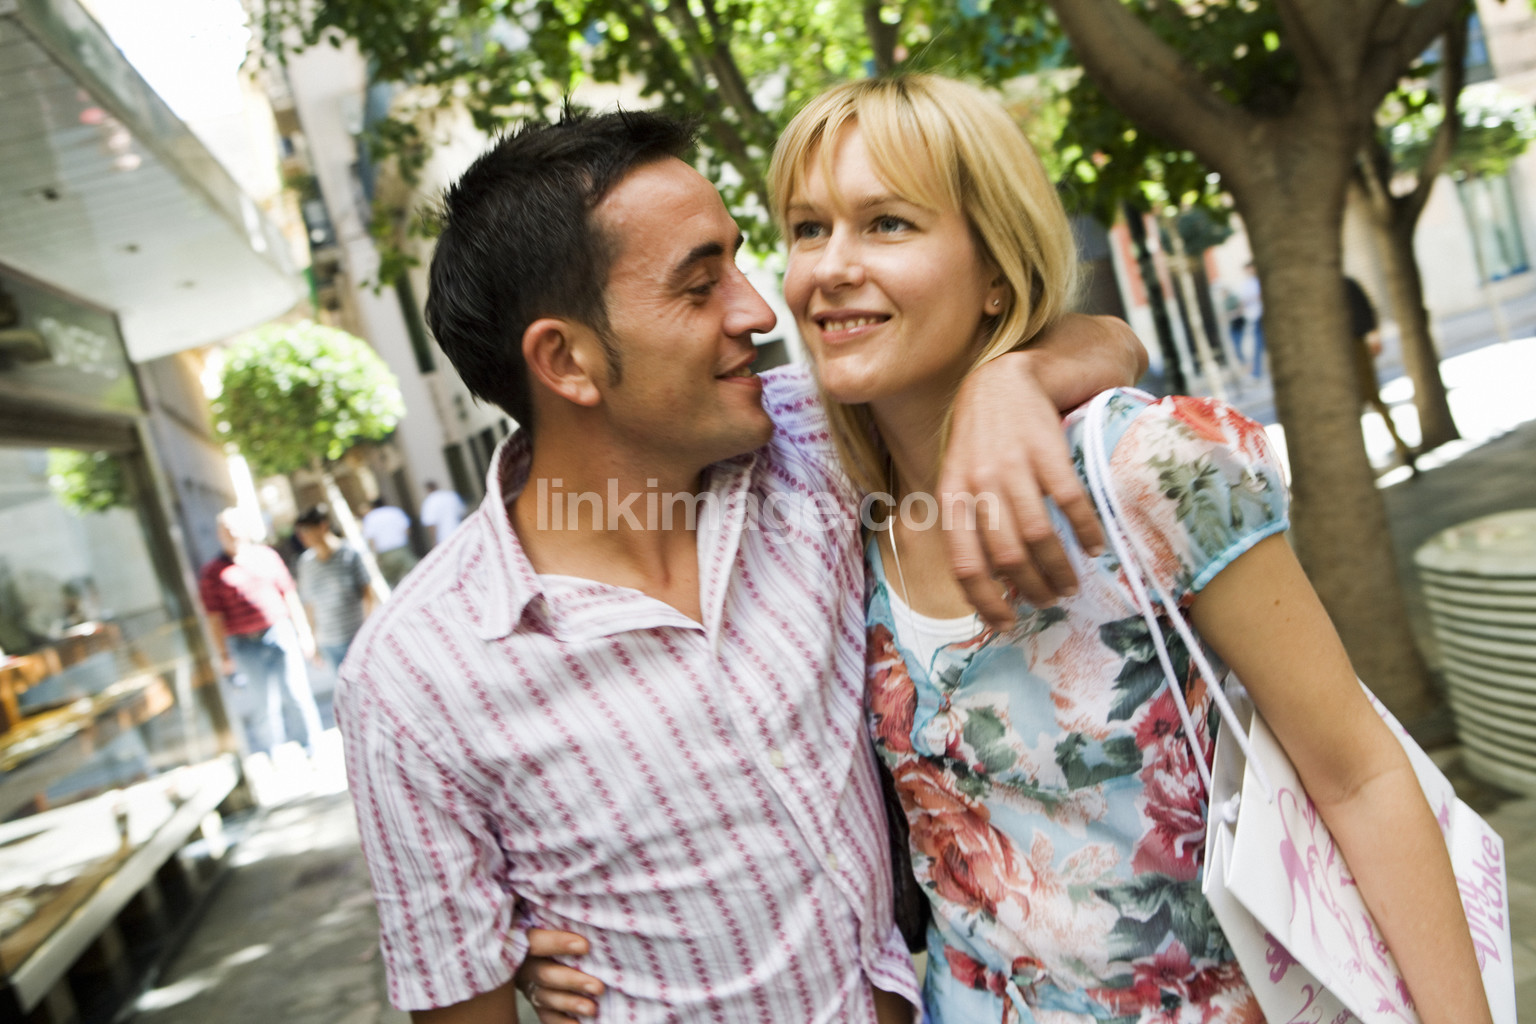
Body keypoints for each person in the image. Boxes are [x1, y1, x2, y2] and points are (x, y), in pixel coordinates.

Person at [527, 75, 1492, 1024]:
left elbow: (1358, 778)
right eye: (809, 229)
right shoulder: (818, 495)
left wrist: (1018, 377)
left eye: (888, 223)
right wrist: (552, 931)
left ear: (996, 269)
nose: (829, 268)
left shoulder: (1142, 466)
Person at [335, 106, 1143, 1023]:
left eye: (740, 260)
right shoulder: (414, 683)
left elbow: (1101, 341)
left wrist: (1015, 378)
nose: (759, 310)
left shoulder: (821, 442)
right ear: (565, 359)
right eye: (699, 286)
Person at [198, 507, 324, 756]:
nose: (231, 533)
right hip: (244, 644)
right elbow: (214, 618)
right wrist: (223, 655)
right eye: (225, 530)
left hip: (279, 633)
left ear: (244, 530)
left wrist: (305, 634)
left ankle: (312, 747)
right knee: (263, 703)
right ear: (219, 534)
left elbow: (289, 595)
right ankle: (274, 753)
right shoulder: (213, 572)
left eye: (234, 528)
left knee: (296, 693)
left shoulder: (266, 557)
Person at [1345, 275, 1417, 472]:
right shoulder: (1343, 283)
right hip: (1349, 348)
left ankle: (1402, 449)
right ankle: (1399, 449)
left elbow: (1366, 310)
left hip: (1355, 345)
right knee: (1367, 401)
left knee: (1371, 398)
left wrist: (1374, 335)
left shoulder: (1346, 284)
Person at [293, 503, 374, 672]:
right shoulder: (305, 564)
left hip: (357, 636)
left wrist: (369, 630)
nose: (303, 537)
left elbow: (367, 594)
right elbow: (309, 604)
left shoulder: (349, 554)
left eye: (307, 530)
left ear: (323, 526)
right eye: (300, 532)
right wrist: (313, 640)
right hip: (329, 641)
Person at [359, 496, 419, 587]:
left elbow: (371, 540)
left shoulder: (370, 518)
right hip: (402, 549)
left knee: (393, 584)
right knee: (416, 575)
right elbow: (407, 531)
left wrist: (376, 558)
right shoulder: (395, 511)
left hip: (385, 555)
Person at [419, 480, 468, 546]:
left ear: (428, 489)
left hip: (443, 537)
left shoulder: (429, 502)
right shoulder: (451, 495)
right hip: (459, 532)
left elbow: (431, 525)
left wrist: (434, 541)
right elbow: (463, 514)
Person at [1238, 260, 1264, 379]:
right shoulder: (1246, 284)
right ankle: (1256, 373)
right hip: (1256, 316)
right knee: (1257, 346)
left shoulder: (1258, 280)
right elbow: (1244, 301)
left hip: (1262, 314)